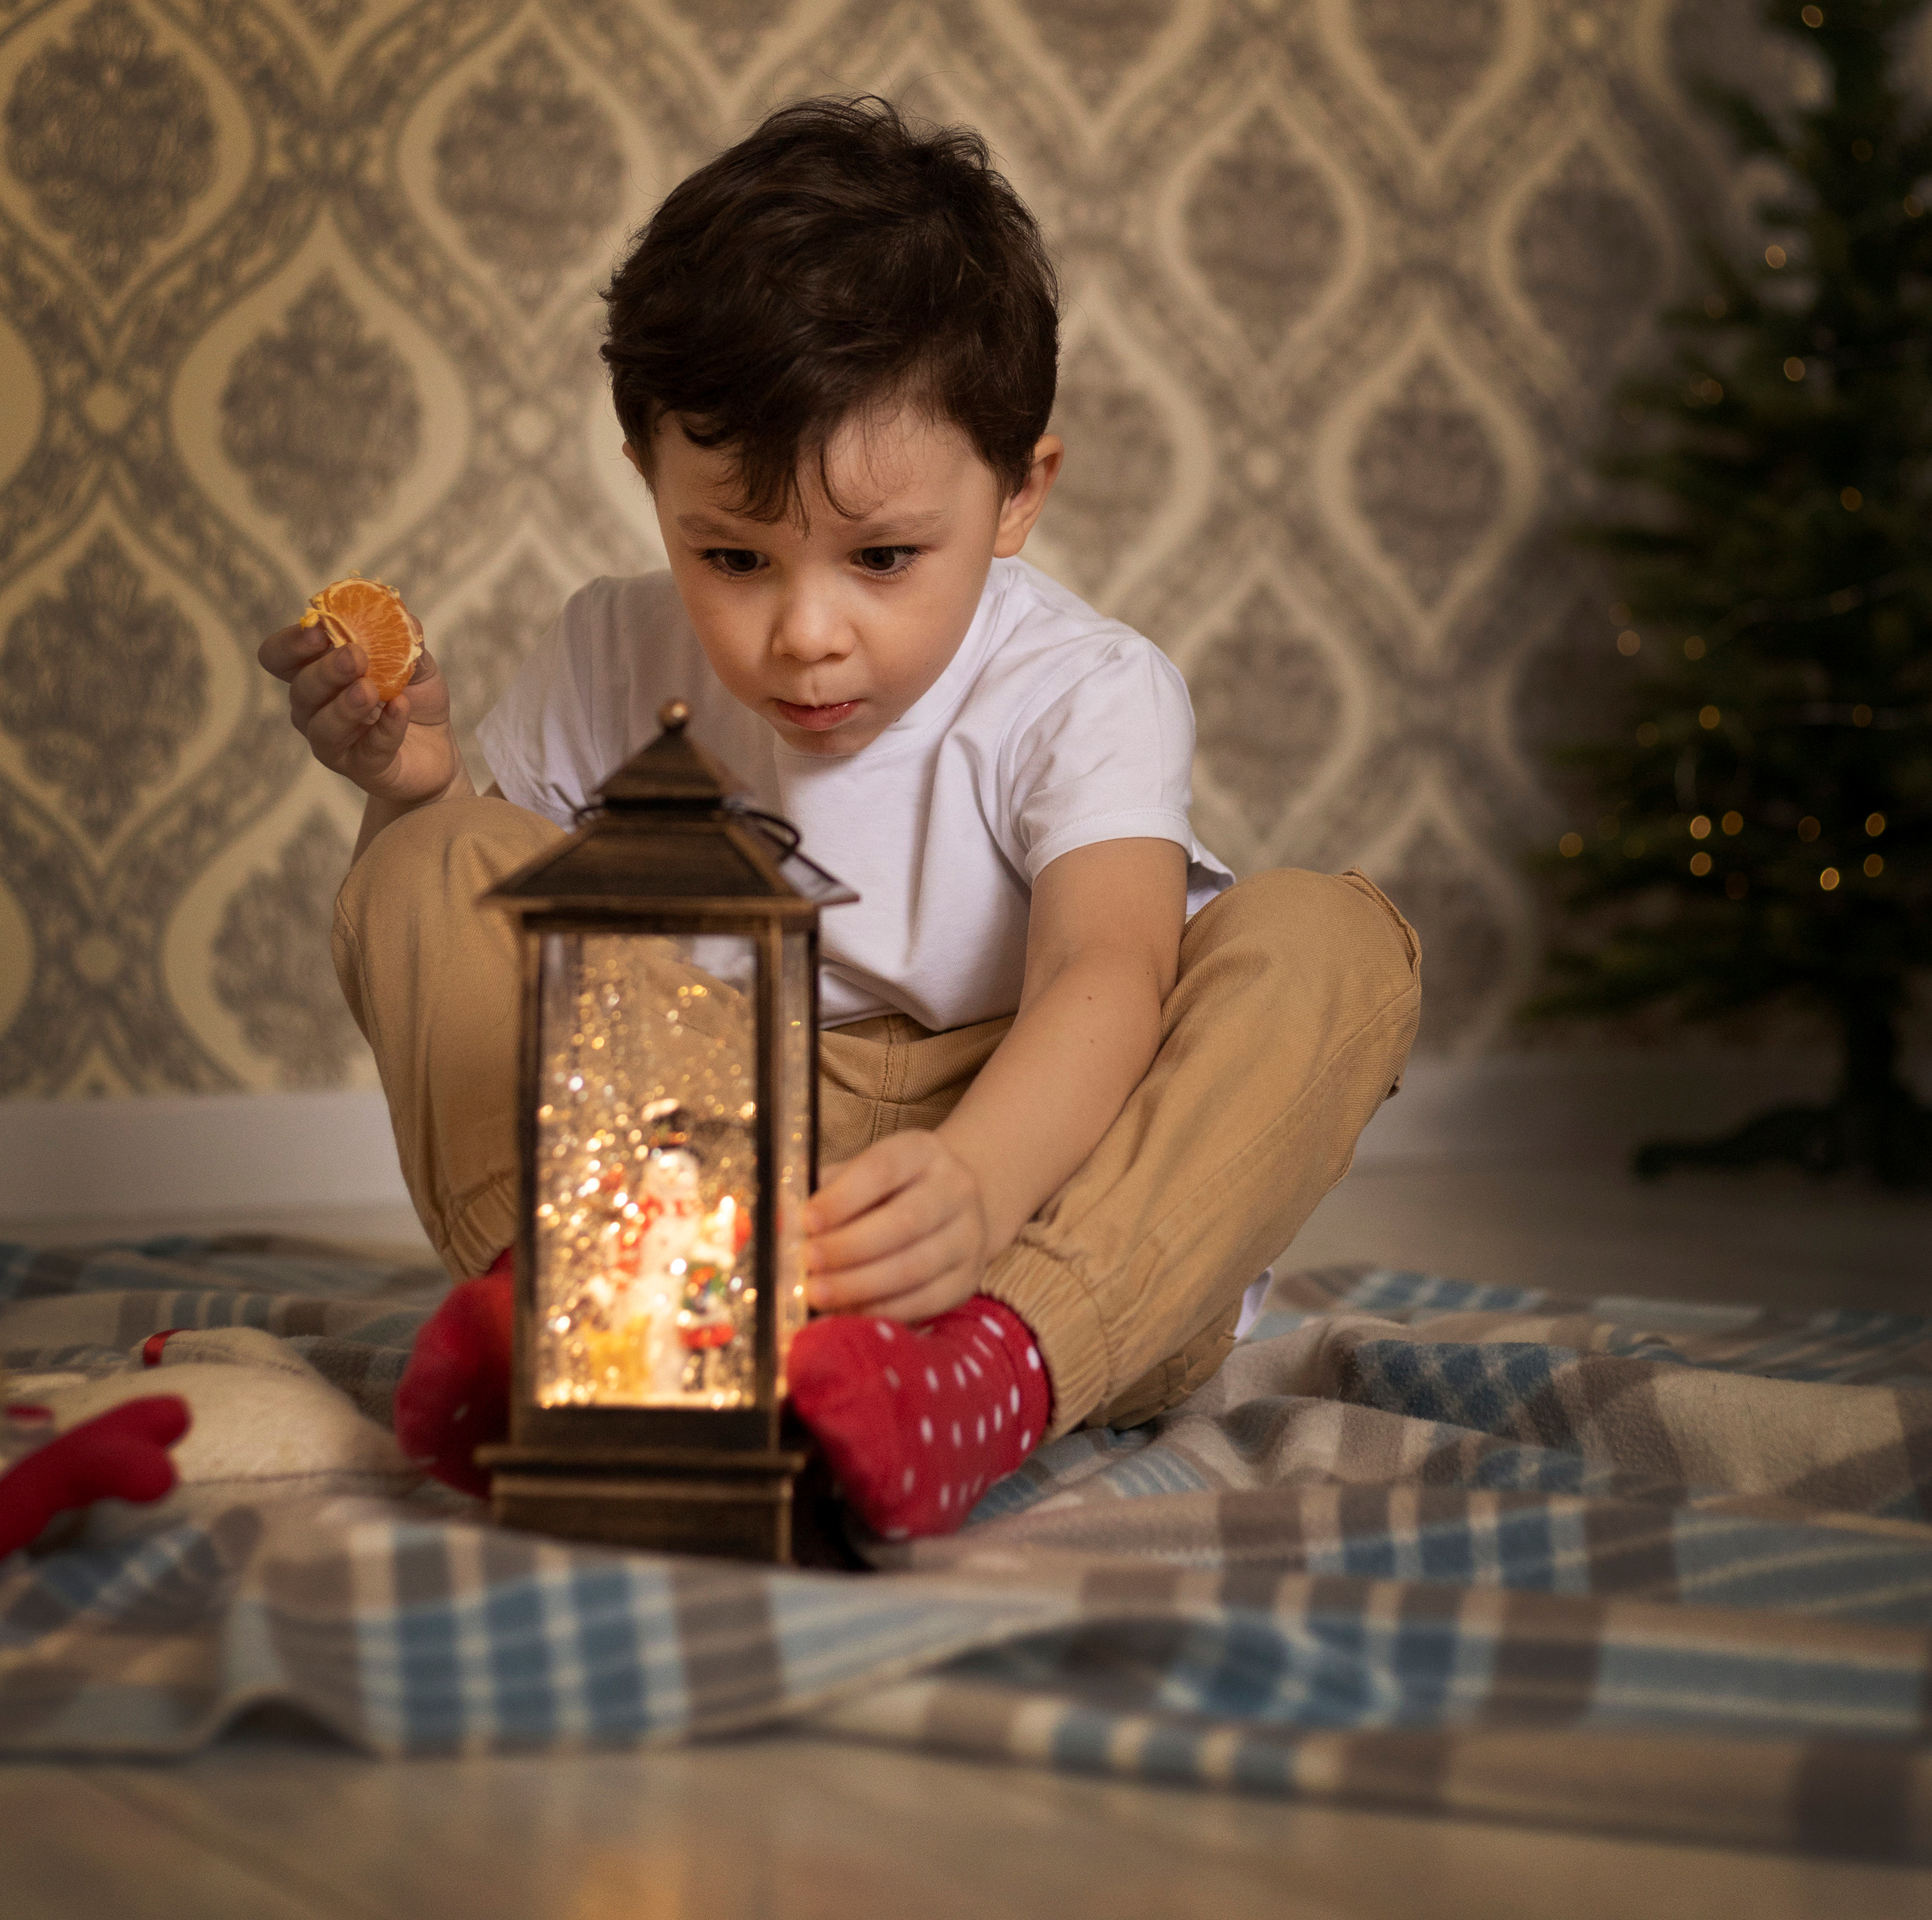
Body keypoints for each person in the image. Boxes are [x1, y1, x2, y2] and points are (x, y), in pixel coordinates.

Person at [260, 97, 1420, 1539]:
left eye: (882, 558)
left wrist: (977, 1188)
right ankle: (593, 1323)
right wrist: (410, 793)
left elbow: (1104, 972)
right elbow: (491, 986)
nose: (806, 634)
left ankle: (989, 1375)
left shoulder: (1087, 688)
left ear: (1019, 495)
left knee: (1331, 938)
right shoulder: (606, 655)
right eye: (734, 557)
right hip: (711, 1203)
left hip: (1045, 1202)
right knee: (440, 861)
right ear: (648, 478)